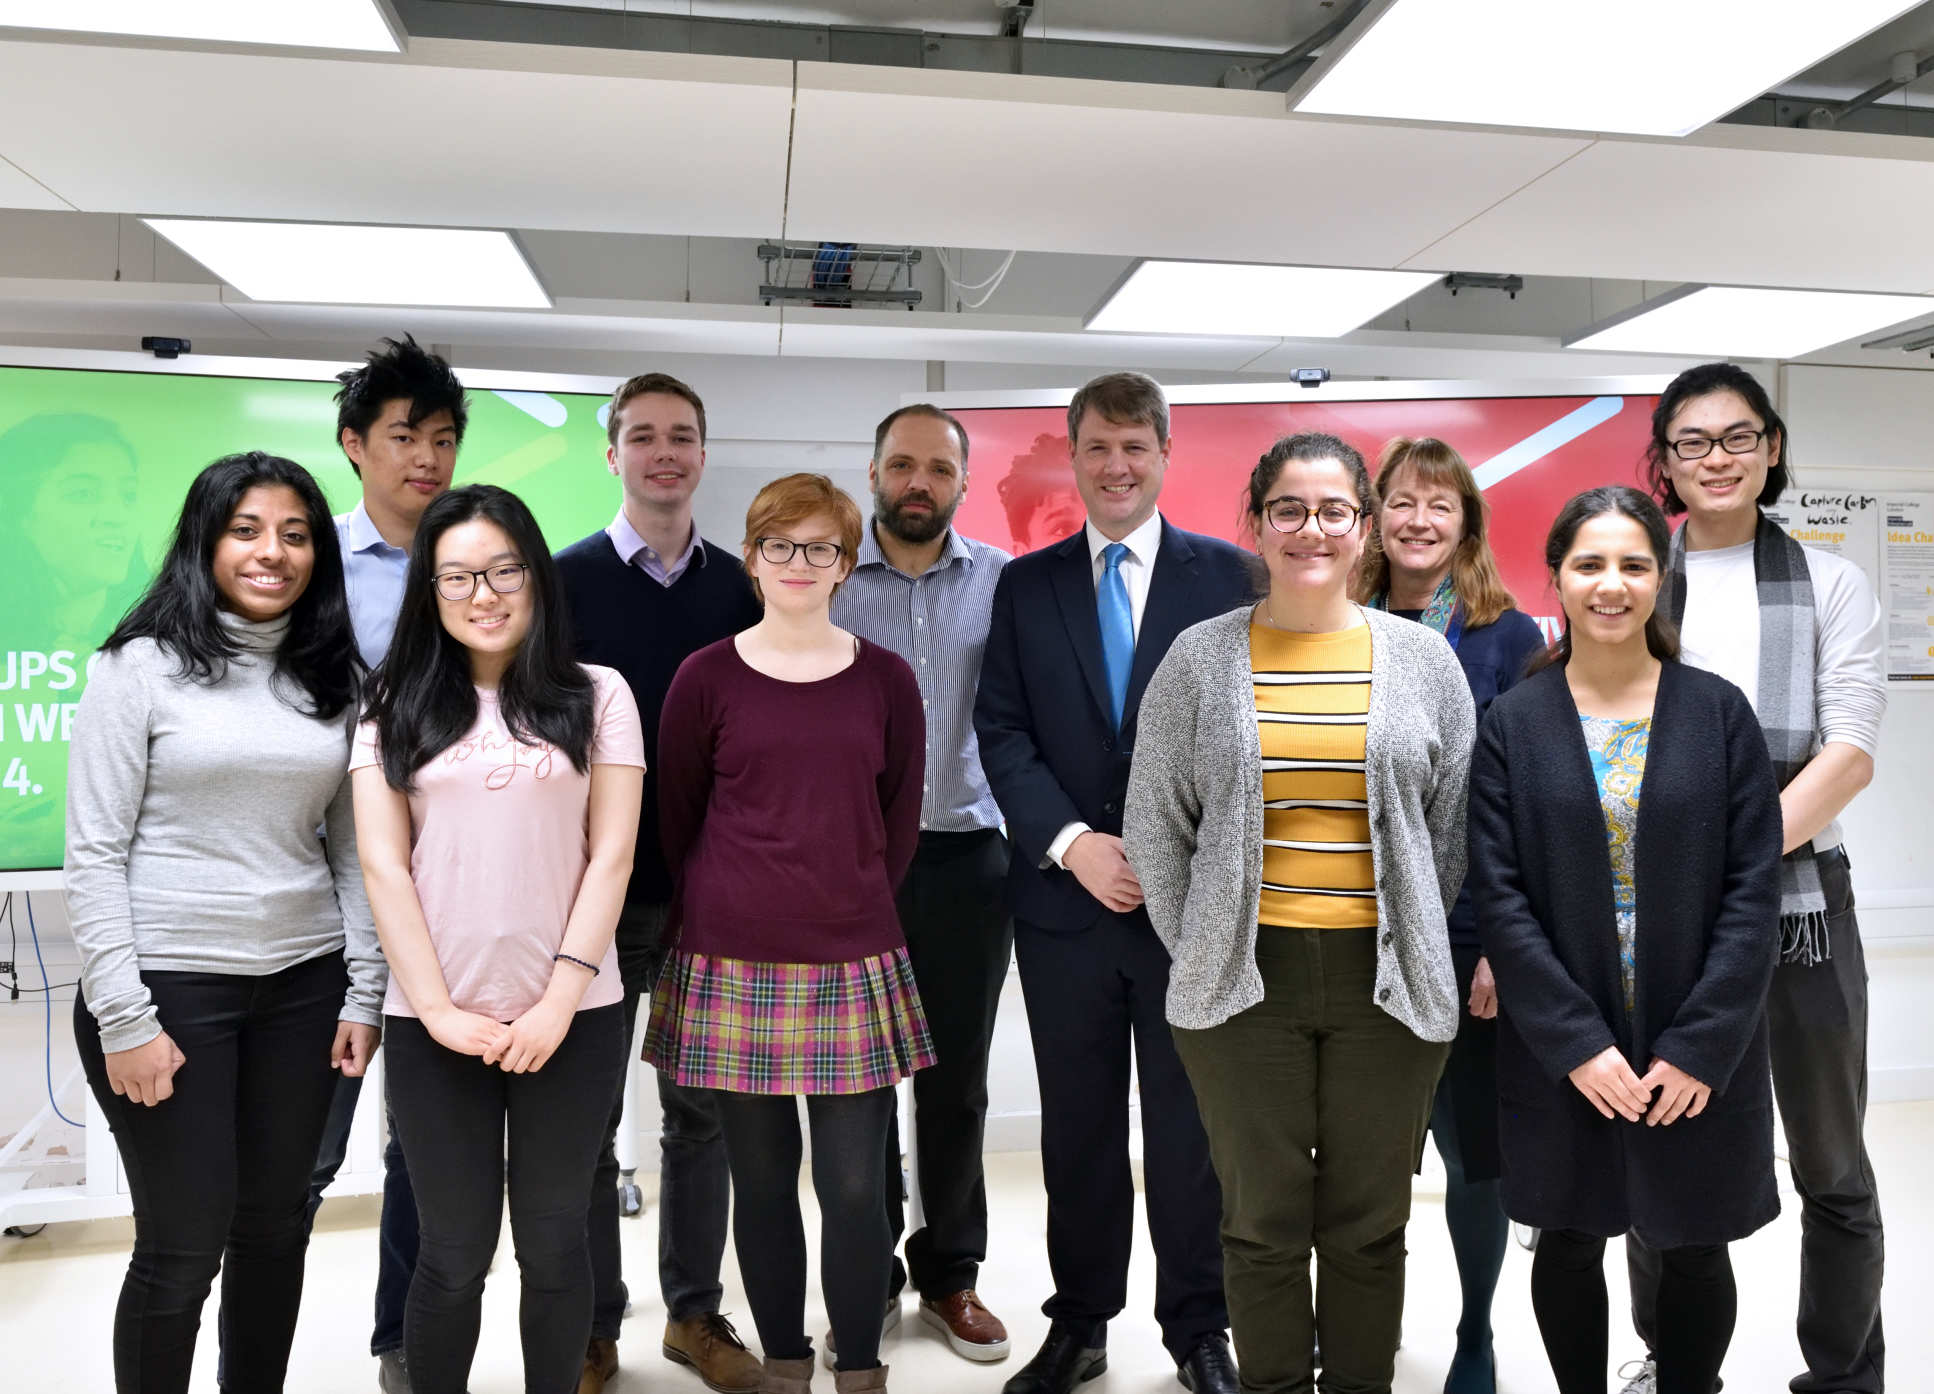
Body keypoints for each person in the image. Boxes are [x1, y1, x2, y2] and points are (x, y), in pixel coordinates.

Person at [1126, 432, 1475, 1394]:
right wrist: (1203, 945)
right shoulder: (1200, 660)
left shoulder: (1424, 663)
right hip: (1243, 988)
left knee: (1369, 1225)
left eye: (1333, 510)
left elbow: (1448, 834)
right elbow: (1154, 827)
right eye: (1289, 508)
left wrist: (1410, 937)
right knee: (1262, 1222)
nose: (1310, 528)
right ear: (1258, 522)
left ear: (1365, 528)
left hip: (1387, 987)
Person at [65, 451, 381, 1394]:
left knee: (275, 1228)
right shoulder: (140, 668)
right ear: (204, 541)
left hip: (303, 987)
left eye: (293, 534)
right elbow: (95, 853)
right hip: (169, 989)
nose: (271, 553)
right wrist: (126, 1017)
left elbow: (352, 853)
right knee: (181, 1246)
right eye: (246, 530)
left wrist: (363, 991)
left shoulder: (336, 679)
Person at [1469, 485, 1784, 1394]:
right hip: (1569, 1044)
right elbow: (1502, 897)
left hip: (1695, 1042)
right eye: (1590, 564)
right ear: (1558, 579)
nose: (1612, 585)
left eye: (1634, 564)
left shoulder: (1717, 714)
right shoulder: (1514, 725)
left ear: (1661, 577)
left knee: (1692, 1240)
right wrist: (1576, 1044)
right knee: (1567, 1238)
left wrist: (1699, 1047)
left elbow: (1751, 891)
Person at [973, 371, 1250, 1394]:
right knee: (1078, 1131)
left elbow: (1252, 743)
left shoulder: (1230, 578)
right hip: (1064, 910)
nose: (1117, 465)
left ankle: (1197, 1330)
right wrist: (1070, 840)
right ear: (1075, 454)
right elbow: (998, 729)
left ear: (1164, 454)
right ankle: (1079, 1323)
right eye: (1098, 447)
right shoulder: (1025, 584)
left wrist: (1175, 856)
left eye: (1135, 446)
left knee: (1190, 1138)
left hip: (1192, 917)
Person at [1623, 363, 1888, 1394]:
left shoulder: (1829, 582)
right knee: (1662, 1147)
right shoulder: (1632, 577)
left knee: (1829, 1164)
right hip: (1653, 916)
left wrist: (1726, 864)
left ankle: (1843, 1371)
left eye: (1736, 437)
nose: (1715, 458)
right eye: (1690, 442)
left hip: (1798, 913)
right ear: (1665, 462)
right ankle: (1673, 1359)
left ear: (1770, 448)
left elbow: (1849, 746)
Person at [352, 484, 645, 1394]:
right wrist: (436, 1009)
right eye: (456, 578)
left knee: (556, 1243)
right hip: (434, 1023)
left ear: (535, 576)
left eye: (503, 570)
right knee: (451, 1250)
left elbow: (613, 857)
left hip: (575, 1016)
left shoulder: (597, 695)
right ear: (429, 593)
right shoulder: (393, 701)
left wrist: (558, 1000)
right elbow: (383, 867)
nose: (483, 594)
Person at [644, 473, 932, 1394]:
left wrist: (839, 899)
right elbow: (678, 813)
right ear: (754, 560)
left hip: (851, 958)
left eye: (820, 549)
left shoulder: (887, 679)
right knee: (761, 1187)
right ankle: (786, 1366)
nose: (799, 563)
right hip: (728, 961)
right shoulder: (705, 676)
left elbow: (897, 823)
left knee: (853, 1189)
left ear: (847, 565)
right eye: (779, 545)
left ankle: (859, 1369)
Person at [556, 371, 764, 1394]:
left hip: (708, 900)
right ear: (613, 455)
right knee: (587, 1121)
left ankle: (692, 1314)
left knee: (701, 1118)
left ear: (703, 451)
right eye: (642, 436)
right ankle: (594, 1326)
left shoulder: (743, 588)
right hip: (591, 895)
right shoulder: (561, 582)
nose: (663, 452)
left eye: (682, 434)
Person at [1353, 436, 1544, 1394]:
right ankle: (1365, 1323)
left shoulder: (1507, 638)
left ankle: (1474, 1333)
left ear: (1466, 520)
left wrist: (1505, 947)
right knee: (1363, 1155)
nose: (1419, 520)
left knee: (1475, 1155)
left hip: (1470, 932)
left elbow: (1526, 802)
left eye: (1441, 503)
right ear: (1374, 514)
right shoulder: (1335, 621)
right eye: (1402, 501)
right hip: (1352, 931)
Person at [830, 404, 1014, 1366]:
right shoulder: (824, 580)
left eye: (937, 469)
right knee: (857, 1078)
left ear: (961, 483)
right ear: (872, 472)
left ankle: (950, 1274)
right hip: (852, 864)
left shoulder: (1002, 584)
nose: (917, 483)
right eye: (900, 464)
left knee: (956, 1083)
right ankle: (869, 1270)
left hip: (966, 858)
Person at [304, 334, 468, 1394]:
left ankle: (399, 1341)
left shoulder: (479, 563)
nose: (426, 458)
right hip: (319, 897)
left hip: (447, 895)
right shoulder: (307, 570)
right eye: (404, 435)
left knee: (424, 1152)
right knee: (303, 1153)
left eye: (443, 438)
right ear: (355, 443)